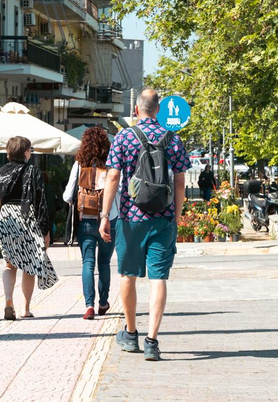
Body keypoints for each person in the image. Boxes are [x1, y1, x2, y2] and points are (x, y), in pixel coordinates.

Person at [100, 89, 189, 361]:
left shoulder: (124, 137)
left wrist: (105, 214)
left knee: (128, 275)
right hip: (163, 218)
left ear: (136, 110)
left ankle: (130, 333)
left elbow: (113, 176)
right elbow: (180, 182)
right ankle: (152, 341)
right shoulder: (172, 139)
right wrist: (177, 215)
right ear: (158, 110)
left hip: (130, 219)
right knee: (158, 279)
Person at [0, 136, 57, 320]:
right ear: (26, 152)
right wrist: (46, 230)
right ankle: (26, 308)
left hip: (7, 216)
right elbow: (41, 202)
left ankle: (9, 300)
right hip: (27, 216)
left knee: (9, 265)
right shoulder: (33, 171)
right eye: (30, 150)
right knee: (29, 266)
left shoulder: (1, 171)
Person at [63, 127, 117, 320]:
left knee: (88, 262)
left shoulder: (79, 165)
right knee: (104, 262)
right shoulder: (111, 164)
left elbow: (67, 195)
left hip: (84, 220)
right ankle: (103, 302)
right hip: (109, 219)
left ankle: (89, 306)